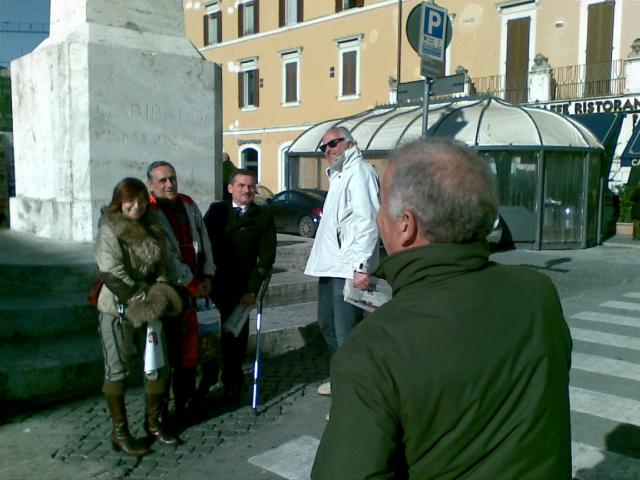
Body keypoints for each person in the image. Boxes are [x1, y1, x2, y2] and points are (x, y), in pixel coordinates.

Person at [311, 138, 572, 479]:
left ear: (406, 225)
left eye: (382, 205)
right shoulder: (538, 293)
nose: (377, 217)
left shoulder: (371, 350)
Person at [95, 178, 183, 456]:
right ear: (119, 202)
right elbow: (111, 271)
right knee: (117, 369)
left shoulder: (153, 225)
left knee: (157, 366)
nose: (136, 206)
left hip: (151, 306)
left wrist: (159, 291)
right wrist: (140, 298)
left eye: (141, 200)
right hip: (118, 309)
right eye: (130, 200)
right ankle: (120, 431)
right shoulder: (110, 228)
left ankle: (153, 424)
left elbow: (163, 265)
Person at [304, 126, 380, 396]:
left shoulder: (360, 172)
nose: (328, 150)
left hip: (348, 268)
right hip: (329, 265)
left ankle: (354, 393)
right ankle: (343, 378)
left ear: (349, 143)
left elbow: (368, 221)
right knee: (326, 324)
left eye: (333, 143)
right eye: (324, 147)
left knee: (346, 332)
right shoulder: (338, 175)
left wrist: (361, 266)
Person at [146, 161, 216, 422]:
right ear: (151, 185)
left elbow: (204, 240)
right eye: (163, 180)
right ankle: (161, 415)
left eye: (172, 178)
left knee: (190, 353)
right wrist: (191, 283)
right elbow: (165, 255)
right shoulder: (149, 210)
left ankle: (185, 404)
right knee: (165, 357)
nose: (170, 184)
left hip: (194, 289)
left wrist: (207, 274)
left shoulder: (187, 204)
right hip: (168, 290)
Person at [203, 168, 276, 401]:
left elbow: (266, 258)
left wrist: (253, 289)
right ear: (230, 188)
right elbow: (204, 244)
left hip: (241, 287)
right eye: (242, 185)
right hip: (213, 283)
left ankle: (233, 382)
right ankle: (205, 382)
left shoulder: (263, 215)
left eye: (251, 186)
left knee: (235, 339)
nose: (247, 190)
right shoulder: (217, 211)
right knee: (208, 336)